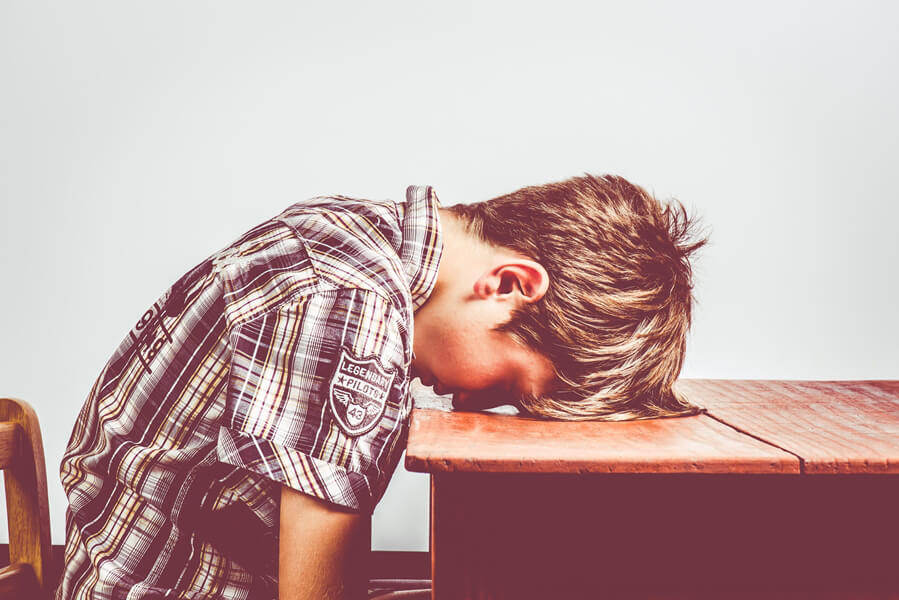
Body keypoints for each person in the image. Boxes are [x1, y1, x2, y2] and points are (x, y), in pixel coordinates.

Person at [57, 174, 705, 600]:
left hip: (149, 561)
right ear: (510, 284)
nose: (472, 403)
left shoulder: (355, 235)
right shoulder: (351, 308)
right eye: (508, 383)